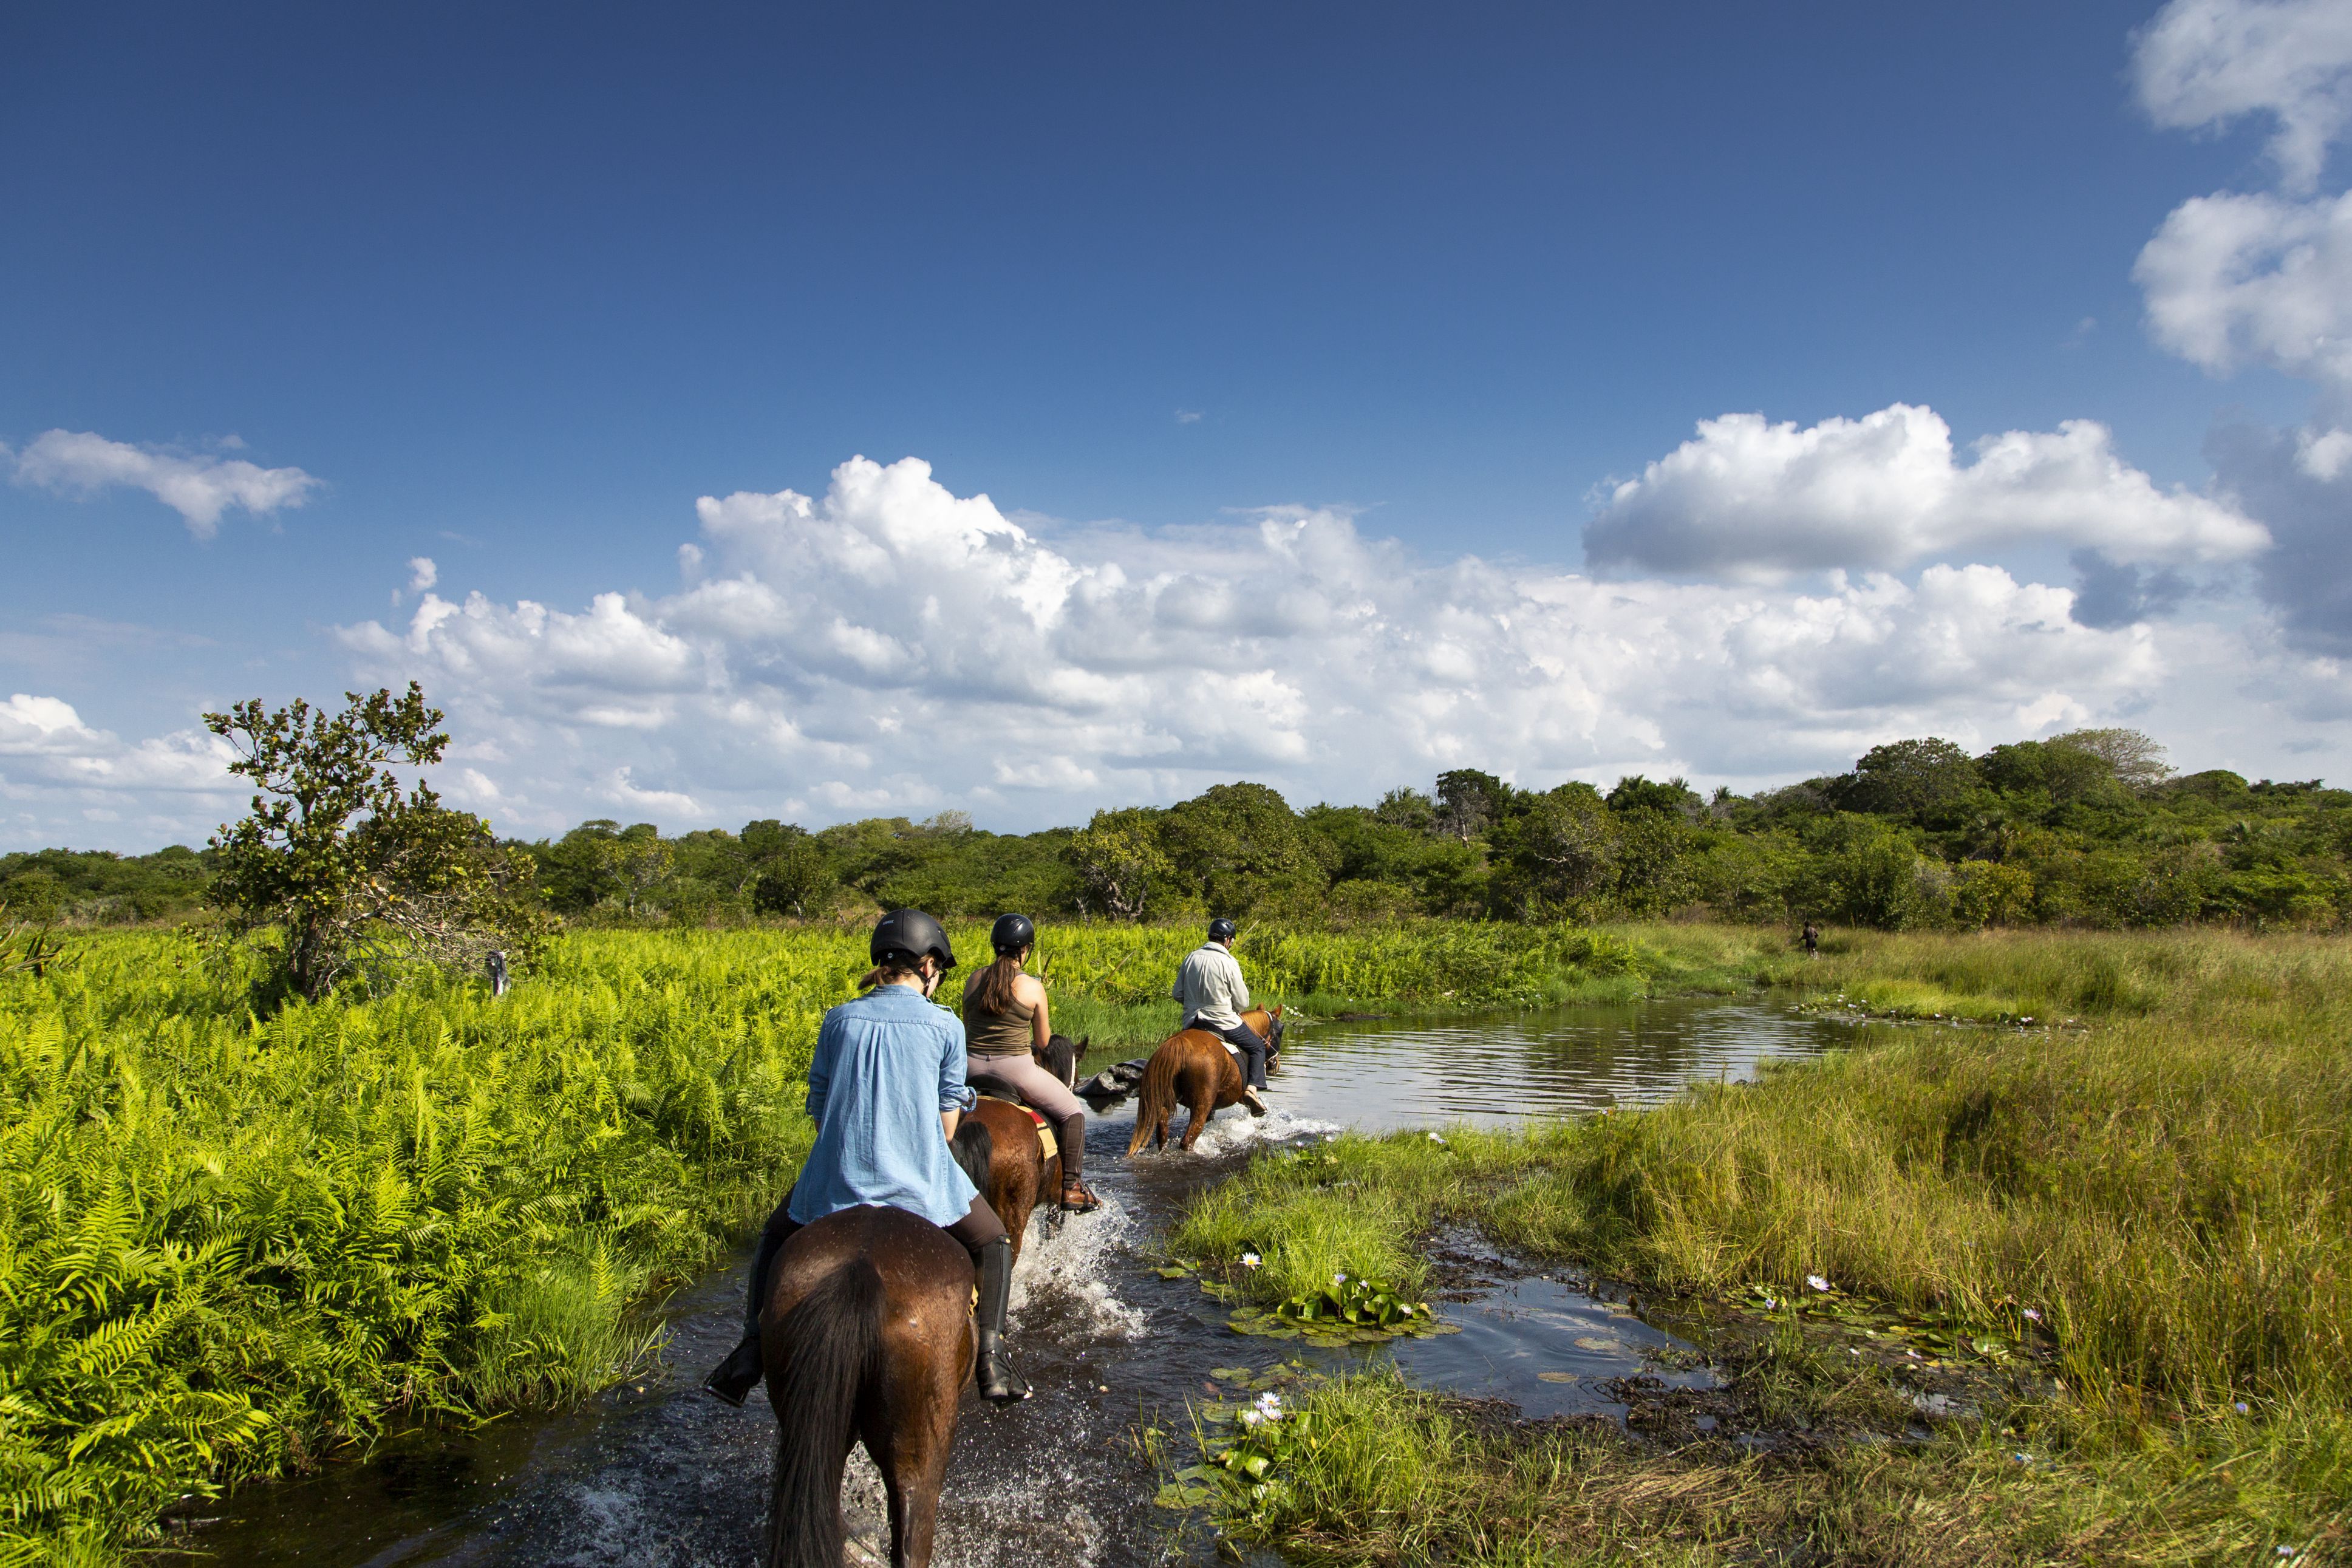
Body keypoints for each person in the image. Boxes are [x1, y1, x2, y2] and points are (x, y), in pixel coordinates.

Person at [703, 908, 1030, 1408]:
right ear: (926, 966)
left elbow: (819, 1108)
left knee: (773, 1236)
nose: (937, 979)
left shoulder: (839, 1018)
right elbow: (946, 1132)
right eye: (937, 971)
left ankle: (749, 1349)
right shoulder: (943, 1025)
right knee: (993, 1239)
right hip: (919, 1180)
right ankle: (992, 1358)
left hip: (836, 1175)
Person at [964, 913, 1101, 1213]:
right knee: (1073, 1111)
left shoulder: (973, 979)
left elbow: (968, 1025)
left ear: (994, 946)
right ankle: (1070, 1188)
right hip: (1015, 1070)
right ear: (1025, 950)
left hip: (969, 1067)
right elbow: (1042, 1042)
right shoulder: (1032, 987)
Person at [1172, 916, 1269, 1116]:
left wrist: (1194, 1004)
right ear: (1227, 940)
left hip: (1193, 1021)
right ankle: (1251, 1090)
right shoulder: (1229, 961)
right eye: (1231, 941)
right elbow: (1242, 1002)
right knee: (1258, 1048)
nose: (1231, 945)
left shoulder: (1191, 957)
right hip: (1223, 1022)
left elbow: (1177, 994)